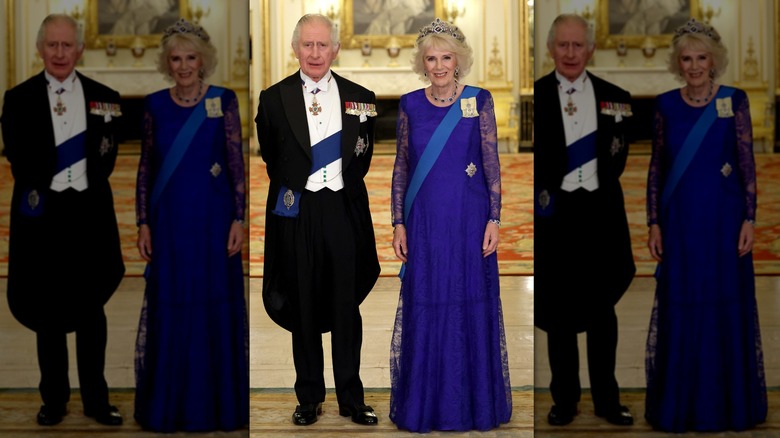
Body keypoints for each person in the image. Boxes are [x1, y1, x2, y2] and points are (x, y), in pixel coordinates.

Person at [255, 13, 381, 427]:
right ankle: (308, 396)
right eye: (307, 45)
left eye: (322, 45)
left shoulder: (361, 97)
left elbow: (363, 156)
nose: (314, 52)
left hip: (342, 209)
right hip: (298, 212)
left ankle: (351, 396)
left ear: (335, 49)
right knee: (304, 302)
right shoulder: (273, 99)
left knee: (346, 305)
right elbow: (273, 157)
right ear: (295, 49)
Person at [0, 14, 125, 427]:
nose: (58, 53)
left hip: (89, 220)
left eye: (66, 45)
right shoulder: (17, 99)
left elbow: (107, 155)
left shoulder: (105, 97)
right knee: (48, 313)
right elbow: (20, 157)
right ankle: (53, 400)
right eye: (51, 45)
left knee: (92, 313)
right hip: (44, 220)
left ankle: (96, 400)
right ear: (40, 49)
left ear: (80, 49)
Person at [388, 18, 512, 432]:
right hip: (424, 223)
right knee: (428, 302)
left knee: (467, 301)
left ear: (459, 60)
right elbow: (401, 167)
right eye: (431, 58)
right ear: (421, 63)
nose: (439, 66)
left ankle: (472, 404)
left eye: (446, 57)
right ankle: (425, 404)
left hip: (468, 220)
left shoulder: (480, 99)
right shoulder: (409, 103)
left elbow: (491, 164)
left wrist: (494, 217)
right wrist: (398, 223)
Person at [645, 18, 767, 432]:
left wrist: (750, 218)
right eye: (687, 59)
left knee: (724, 302)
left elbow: (747, 164)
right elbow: (657, 169)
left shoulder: (736, 100)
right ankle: (681, 403)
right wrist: (654, 223)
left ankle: (728, 403)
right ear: (677, 63)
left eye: (701, 58)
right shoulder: (664, 104)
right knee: (683, 302)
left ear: (714, 61)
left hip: (723, 221)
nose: (694, 66)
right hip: (680, 222)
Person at [133, 18, 248, 432]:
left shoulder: (224, 100)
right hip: (170, 224)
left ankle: (215, 404)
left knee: (212, 302)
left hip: (214, 223)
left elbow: (236, 163)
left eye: (191, 58)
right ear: (167, 63)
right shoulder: (154, 105)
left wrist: (239, 218)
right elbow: (146, 168)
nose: (183, 66)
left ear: (204, 60)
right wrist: (143, 222)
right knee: (173, 302)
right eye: (176, 59)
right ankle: (170, 403)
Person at [534, 14, 636, 427]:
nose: (571, 53)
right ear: (550, 49)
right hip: (556, 218)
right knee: (558, 314)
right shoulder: (538, 96)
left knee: (602, 313)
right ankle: (565, 400)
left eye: (578, 46)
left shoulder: (617, 97)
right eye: (563, 45)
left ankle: (607, 401)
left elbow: (619, 157)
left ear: (591, 49)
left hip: (600, 218)